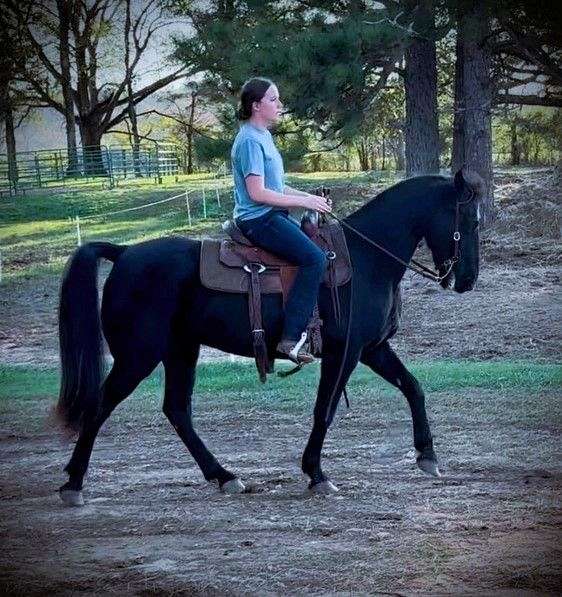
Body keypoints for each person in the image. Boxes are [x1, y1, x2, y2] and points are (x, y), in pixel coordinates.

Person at [231, 77, 332, 364]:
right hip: (258, 219)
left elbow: (277, 187)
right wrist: (304, 202)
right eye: (274, 100)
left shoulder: (263, 135)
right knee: (314, 259)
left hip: (272, 214)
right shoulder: (250, 140)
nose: (280, 105)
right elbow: (258, 193)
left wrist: (311, 199)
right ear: (256, 106)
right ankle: (291, 338)